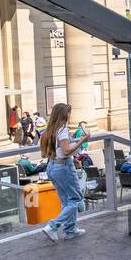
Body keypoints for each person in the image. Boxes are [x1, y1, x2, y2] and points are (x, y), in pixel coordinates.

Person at [40, 102, 88, 242]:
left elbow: (45, 154)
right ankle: (53, 226)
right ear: (63, 115)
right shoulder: (63, 130)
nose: (69, 115)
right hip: (63, 167)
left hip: (52, 166)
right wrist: (82, 141)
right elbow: (66, 150)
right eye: (68, 113)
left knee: (66, 200)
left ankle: (70, 230)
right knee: (76, 199)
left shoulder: (48, 131)